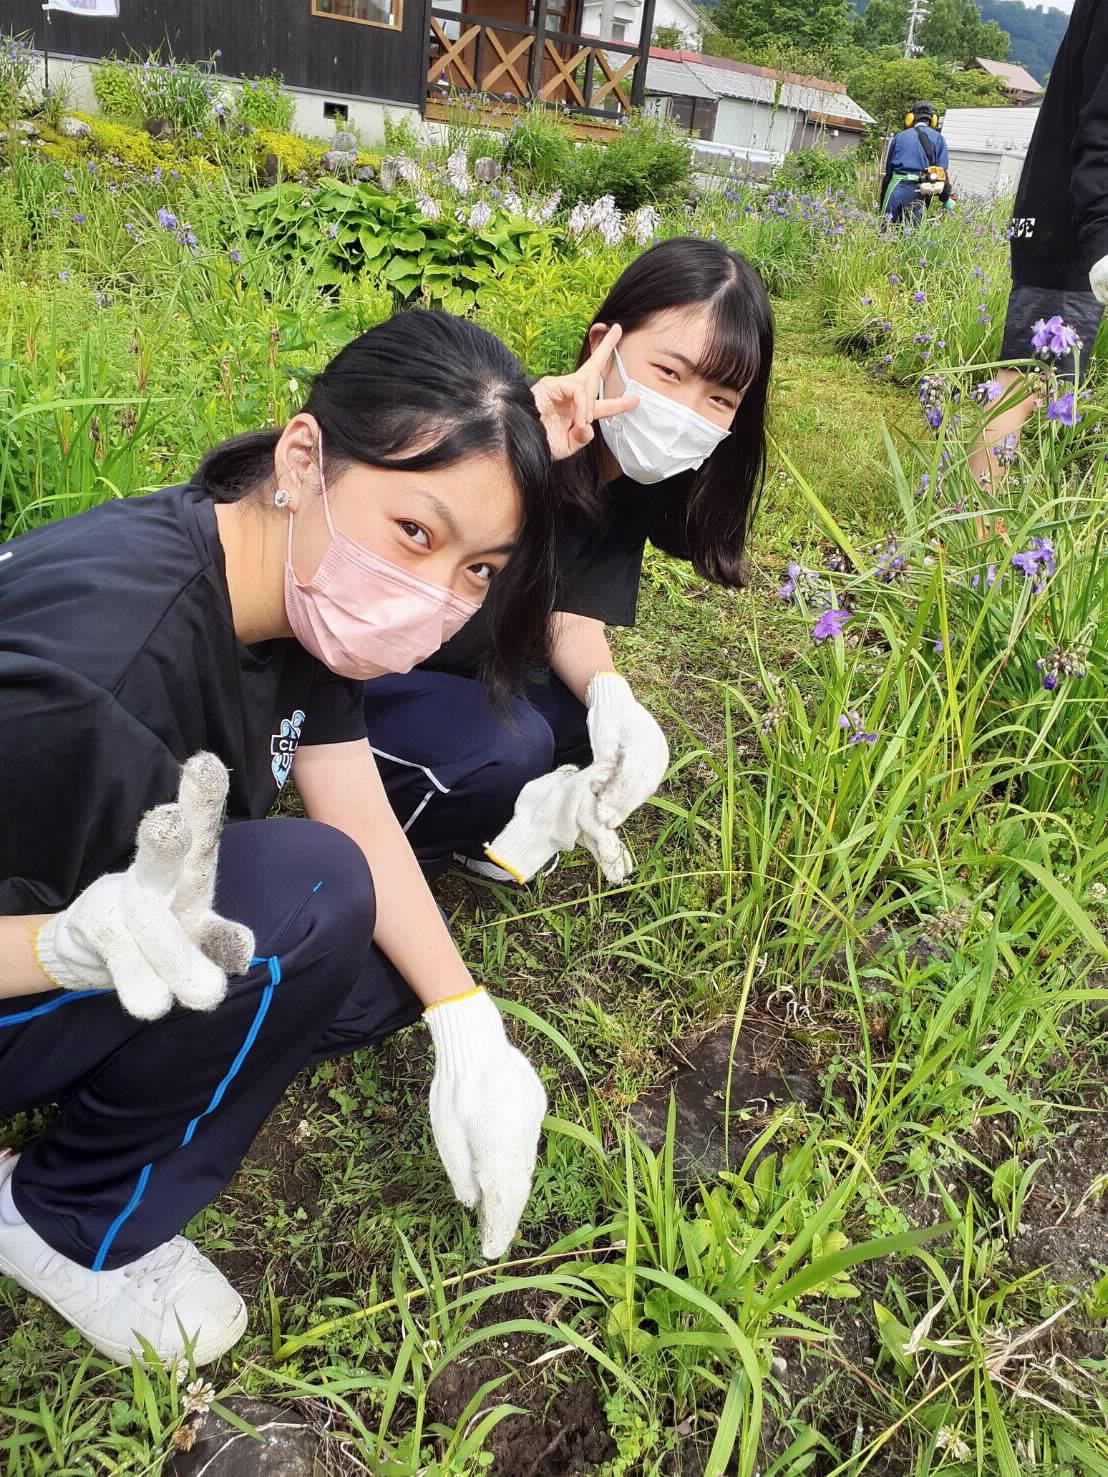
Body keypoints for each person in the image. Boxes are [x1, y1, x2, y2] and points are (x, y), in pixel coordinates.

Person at [0, 309, 629, 1368]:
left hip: (81, 912)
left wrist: (467, 1023)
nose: (434, 597)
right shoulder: (101, 674)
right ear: (303, 457)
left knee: (380, 961)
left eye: (479, 569)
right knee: (313, 895)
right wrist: (63, 945)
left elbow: (347, 787)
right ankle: (65, 1220)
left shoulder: (283, 576)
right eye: (416, 534)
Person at [363, 237, 773, 885]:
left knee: (588, 728)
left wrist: (614, 697)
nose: (684, 412)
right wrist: (516, 453)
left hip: (462, 670)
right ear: (602, 345)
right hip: (368, 669)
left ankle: (483, 826)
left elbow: (572, 614)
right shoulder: (511, 427)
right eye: (669, 373)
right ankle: (390, 849)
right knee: (513, 745)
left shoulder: (632, 479)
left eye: (718, 398)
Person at [967, 0, 1108, 492]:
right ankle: (972, 532)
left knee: (1027, 382)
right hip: (1071, 231)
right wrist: (1102, 233)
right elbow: (1103, 127)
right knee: (1024, 383)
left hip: (1059, 219)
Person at [880, 103, 951, 225]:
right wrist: (945, 198)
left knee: (886, 228)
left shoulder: (900, 137)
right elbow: (941, 172)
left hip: (896, 187)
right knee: (912, 234)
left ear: (911, 118)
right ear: (932, 120)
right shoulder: (939, 138)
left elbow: (889, 171)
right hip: (921, 191)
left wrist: (883, 196)